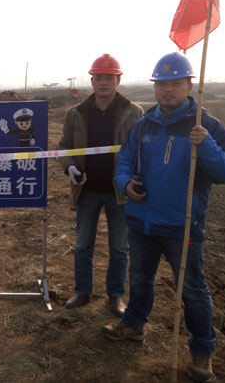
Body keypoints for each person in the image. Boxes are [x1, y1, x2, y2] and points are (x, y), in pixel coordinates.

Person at [102, 52, 225, 382]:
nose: (168, 89)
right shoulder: (142, 125)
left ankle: (202, 350)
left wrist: (206, 146)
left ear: (190, 86)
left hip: (183, 226)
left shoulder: (206, 126)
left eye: (175, 83)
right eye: (161, 84)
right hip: (142, 222)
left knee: (192, 290)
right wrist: (126, 183)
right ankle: (134, 325)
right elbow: (124, 162)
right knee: (140, 279)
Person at [59, 54, 143, 317]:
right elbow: (65, 147)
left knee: (119, 248)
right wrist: (70, 167)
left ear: (118, 80)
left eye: (109, 78)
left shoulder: (133, 112)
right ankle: (82, 291)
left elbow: (142, 150)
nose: (103, 82)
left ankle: (115, 296)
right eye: (98, 78)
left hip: (120, 192)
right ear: (92, 81)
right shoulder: (76, 113)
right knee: (83, 245)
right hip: (87, 191)